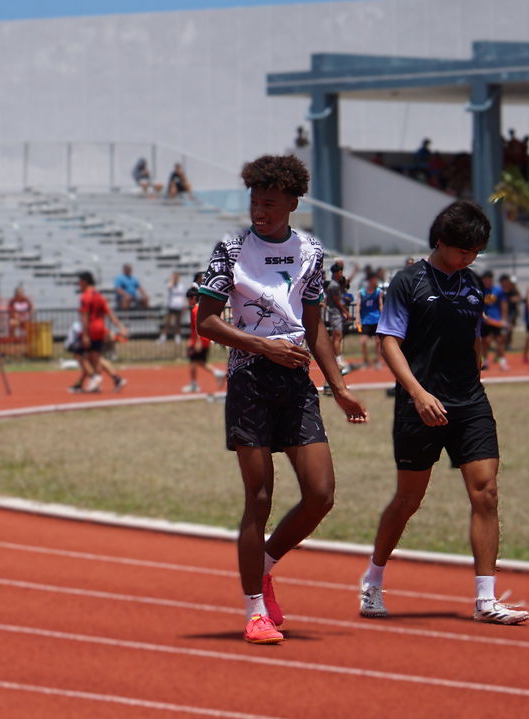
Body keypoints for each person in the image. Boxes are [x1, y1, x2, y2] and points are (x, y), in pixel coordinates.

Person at [195, 154, 368, 644]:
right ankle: (255, 611)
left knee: (321, 494)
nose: (259, 211)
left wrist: (339, 387)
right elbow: (206, 321)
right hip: (250, 380)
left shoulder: (310, 250)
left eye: (270, 203)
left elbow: (314, 326)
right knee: (260, 498)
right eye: (255, 201)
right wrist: (262, 345)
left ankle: (265, 564)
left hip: (295, 383)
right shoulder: (231, 249)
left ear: (293, 203)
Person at [361, 200, 529, 626]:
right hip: (420, 404)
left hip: (470, 401)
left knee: (486, 492)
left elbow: (474, 336)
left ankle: (486, 599)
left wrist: (476, 372)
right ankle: (373, 580)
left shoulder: (473, 282)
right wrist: (418, 394)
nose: (470, 258)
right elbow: (389, 342)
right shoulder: (408, 281)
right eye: (464, 250)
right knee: (408, 499)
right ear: (441, 241)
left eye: (476, 252)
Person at [76, 271, 129, 393]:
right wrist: (121, 326)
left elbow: (85, 316)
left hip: (91, 328)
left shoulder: (85, 296)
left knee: (82, 355)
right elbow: (109, 313)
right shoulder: (99, 296)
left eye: (80, 282)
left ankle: (96, 379)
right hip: (101, 328)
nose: (79, 284)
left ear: (84, 282)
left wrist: (85, 334)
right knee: (95, 356)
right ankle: (114, 379)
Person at [182, 288, 225, 393]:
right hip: (203, 339)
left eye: (189, 299)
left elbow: (198, 327)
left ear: (193, 298)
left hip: (199, 340)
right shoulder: (201, 308)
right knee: (200, 361)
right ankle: (217, 373)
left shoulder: (195, 309)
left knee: (193, 361)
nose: (188, 302)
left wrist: (197, 342)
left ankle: (194, 384)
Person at [478, 271, 506, 371]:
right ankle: (485, 361)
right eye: (485, 279)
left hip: (496, 319)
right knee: (485, 341)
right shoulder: (480, 291)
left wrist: (503, 318)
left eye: (489, 279)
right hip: (484, 320)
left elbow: (503, 304)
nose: (488, 281)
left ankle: (502, 361)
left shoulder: (498, 290)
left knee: (499, 340)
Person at [356, 271, 383, 371]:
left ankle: (377, 361)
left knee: (378, 342)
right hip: (365, 321)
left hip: (376, 319)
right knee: (363, 342)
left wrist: (383, 317)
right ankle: (365, 361)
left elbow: (380, 304)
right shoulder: (361, 293)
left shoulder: (378, 292)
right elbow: (358, 306)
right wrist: (357, 318)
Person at [159, 271, 188, 343]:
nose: (175, 278)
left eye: (176, 277)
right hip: (171, 306)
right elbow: (170, 287)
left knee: (177, 323)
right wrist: (172, 280)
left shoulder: (181, 286)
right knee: (167, 323)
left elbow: (183, 296)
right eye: (174, 277)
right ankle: (163, 337)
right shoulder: (170, 284)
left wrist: (184, 305)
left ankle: (177, 337)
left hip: (179, 306)